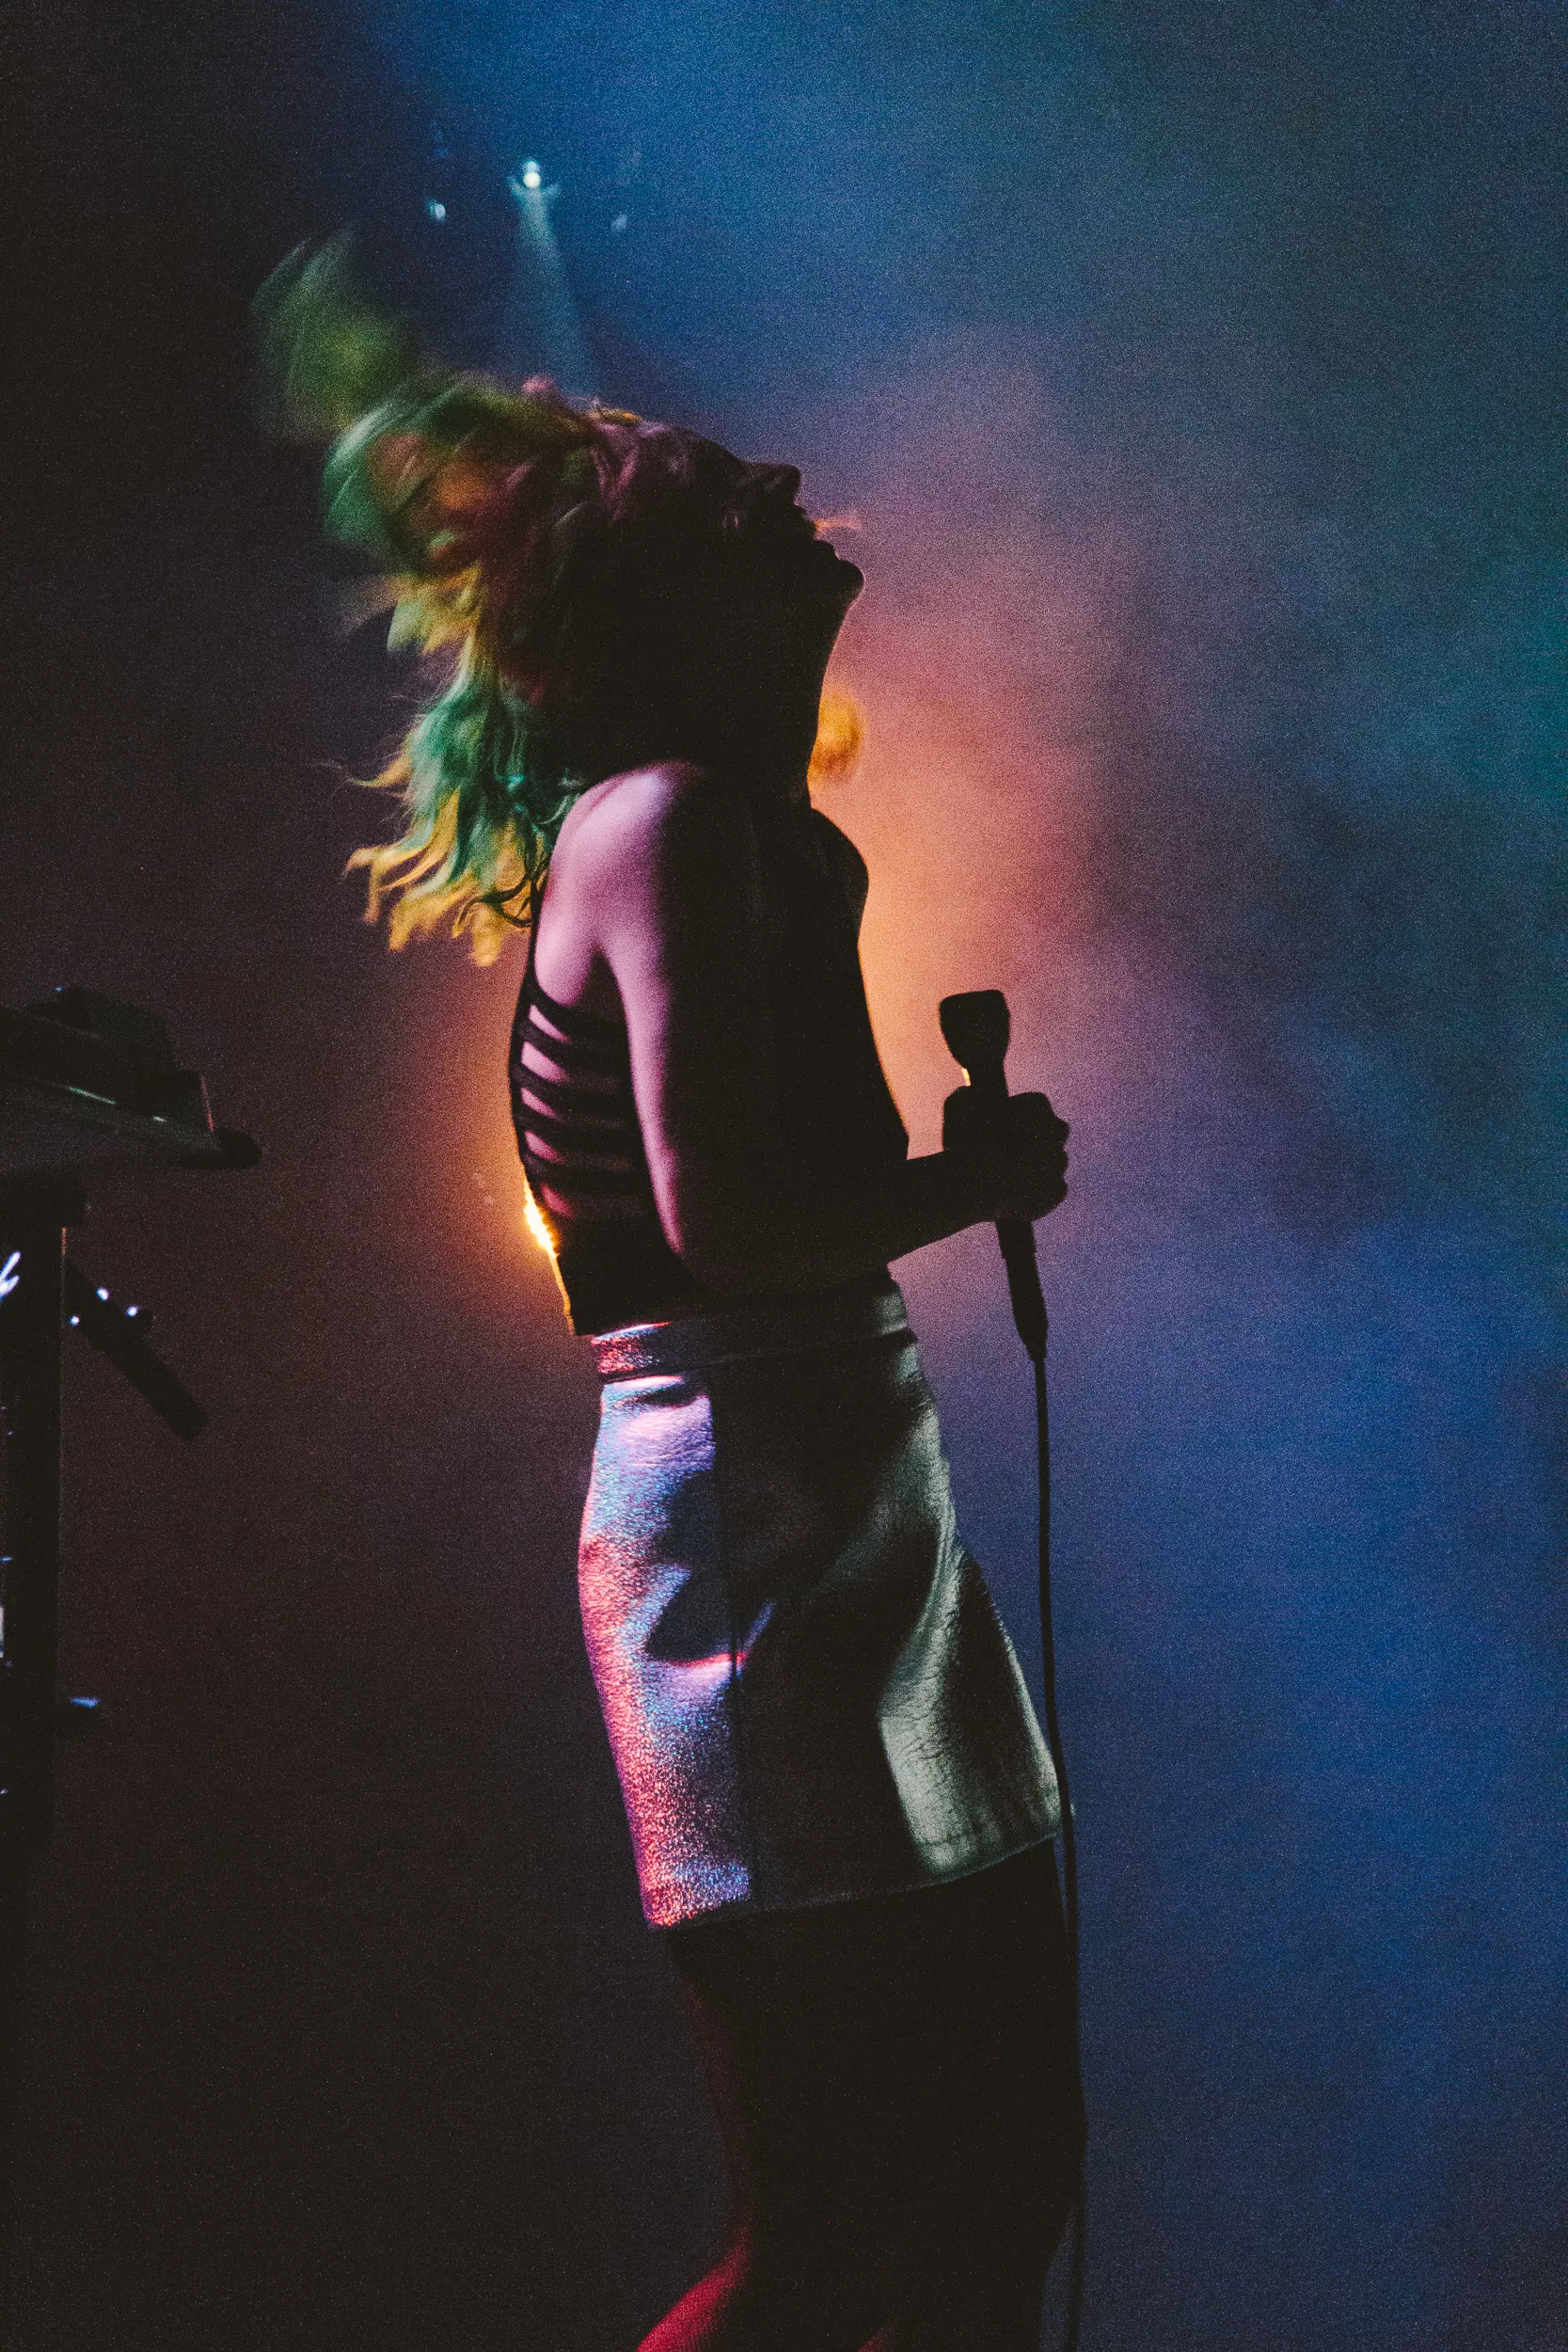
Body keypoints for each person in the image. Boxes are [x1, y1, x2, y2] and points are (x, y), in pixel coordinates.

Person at [258, 243, 1083, 2352]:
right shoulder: (667, 825)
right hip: (743, 1536)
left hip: (846, 1493)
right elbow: (727, 1227)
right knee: (824, 2244)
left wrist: (939, 1185)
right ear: (658, 603)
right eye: (726, 488)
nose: (785, 480)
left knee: (994, 2195)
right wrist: (971, 1181)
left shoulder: (772, 836)